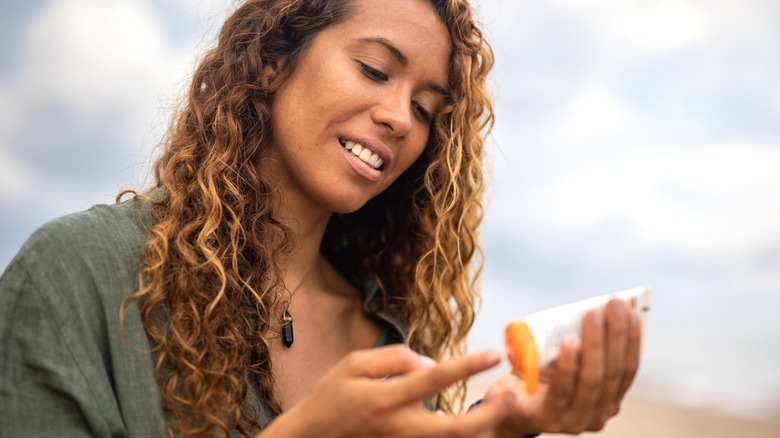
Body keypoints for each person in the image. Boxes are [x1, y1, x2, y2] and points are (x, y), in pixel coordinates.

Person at [0, 0, 642, 436]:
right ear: (274, 58)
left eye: (425, 108)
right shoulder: (79, 273)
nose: (398, 117)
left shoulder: (384, 342)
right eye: (374, 69)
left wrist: (498, 427)